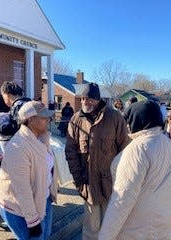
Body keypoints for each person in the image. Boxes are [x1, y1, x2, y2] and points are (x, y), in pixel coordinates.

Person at [98, 100, 171, 240]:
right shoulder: (167, 142)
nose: (128, 125)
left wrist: (105, 236)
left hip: (141, 229)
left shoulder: (138, 149)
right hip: (165, 222)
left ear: (137, 120)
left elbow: (123, 198)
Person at [65, 83, 130, 240]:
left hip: (111, 185)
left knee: (112, 226)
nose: (86, 102)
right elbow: (70, 152)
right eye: (83, 98)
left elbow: (125, 151)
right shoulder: (76, 120)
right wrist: (78, 180)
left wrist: (122, 180)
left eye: (90, 99)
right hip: (88, 184)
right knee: (91, 229)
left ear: (98, 99)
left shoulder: (114, 117)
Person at [0, 100, 57, 240]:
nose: (48, 120)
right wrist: (32, 221)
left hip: (42, 198)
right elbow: (22, 188)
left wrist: (51, 191)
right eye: (43, 117)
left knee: (45, 236)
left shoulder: (41, 138)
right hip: (19, 208)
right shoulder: (18, 147)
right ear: (30, 120)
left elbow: (48, 169)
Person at [0, 82, 30, 152]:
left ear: (7, 95)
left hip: (24, 146)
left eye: (3, 97)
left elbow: (17, 127)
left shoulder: (17, 106)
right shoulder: (29, 103)